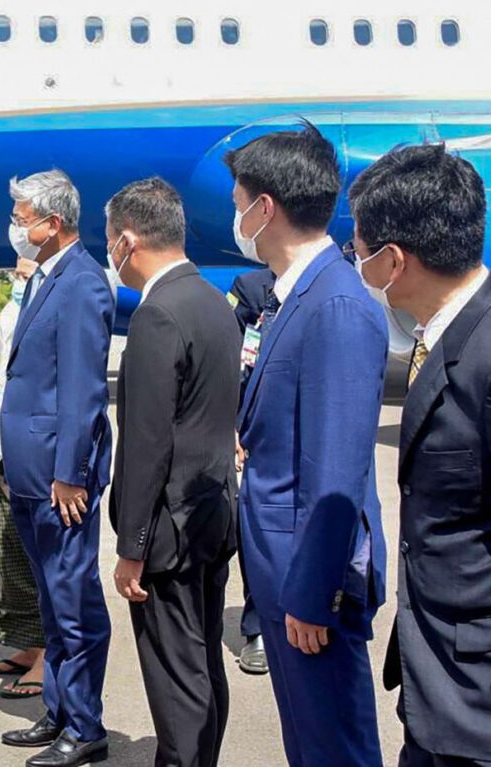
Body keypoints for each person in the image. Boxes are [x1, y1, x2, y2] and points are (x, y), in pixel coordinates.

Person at [227, 122, 388, 767]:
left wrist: (314, 593)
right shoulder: (297, 295)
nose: (236, 217)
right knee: (310, 741)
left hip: (308, 585)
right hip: (286, 574)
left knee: (334, 747)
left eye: (239, 203)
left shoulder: (335, 305)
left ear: (265, 208)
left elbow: (337, 472)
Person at [349, 144, 491, 767]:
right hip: (434, 685)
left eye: (359, 251)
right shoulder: (443, 337)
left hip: (477, 703)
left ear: (394, 260)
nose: (357, 264)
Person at [106, 178, 241, 767]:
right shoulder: (212, 301)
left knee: (177, 682)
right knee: (203, 665)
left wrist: (132, 547)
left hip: (169, 530)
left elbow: (147, 443)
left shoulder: (156, 315)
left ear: (127, 241)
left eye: (110, 239)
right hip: (211, 512)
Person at [0, 170, 114, 767]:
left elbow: (82, 390)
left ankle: (86, 726)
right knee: (50, 600)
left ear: (54, 222)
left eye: (22, 218)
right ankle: (61, 709)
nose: (15, 227)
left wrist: (71, 471)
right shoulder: (46, 277)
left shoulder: (82, 283)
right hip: (29, 471)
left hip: (58, 479)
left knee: (73, 603)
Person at [0, 256, 47, 700]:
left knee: (37, 558)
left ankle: (49, 652)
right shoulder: (16, 304)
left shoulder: (55, 302)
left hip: (26, 449)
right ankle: (29, 641)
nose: (19, 279)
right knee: (6, 553)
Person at [226, 266, 277, 676]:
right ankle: (258, 628)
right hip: (260, 429)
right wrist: (232, 423)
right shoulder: (251, 288)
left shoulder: (339, 281)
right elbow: (230, 356)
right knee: (258, 528)